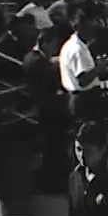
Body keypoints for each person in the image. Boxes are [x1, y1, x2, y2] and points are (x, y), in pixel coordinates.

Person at [24, 28, 69, 193]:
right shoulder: (38, 62)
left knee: (53, 149)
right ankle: (55, 184)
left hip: (46, 109)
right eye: (53, 45)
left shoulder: (32, 58)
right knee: (53, 149)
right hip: (48, 111)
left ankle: (55, 181)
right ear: (44, 43)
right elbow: (48, 84)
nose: (55, 49)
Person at [59, 7, 108, 125]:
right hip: (85, 100)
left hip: (79, 98)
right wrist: (100, 67)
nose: (92, 31)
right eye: (89, 28)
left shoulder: (72, 45)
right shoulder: (78, 50)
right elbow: (83, 80)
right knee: (92, 133)